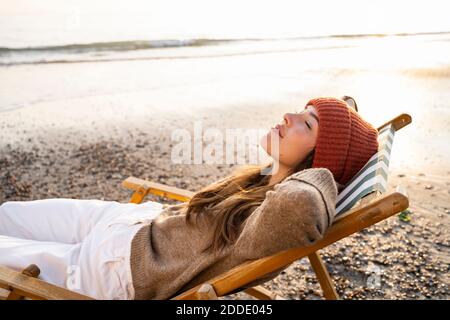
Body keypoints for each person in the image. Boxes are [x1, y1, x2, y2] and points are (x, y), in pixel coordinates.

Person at [0, 96, 378, 300]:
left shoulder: (287, 208)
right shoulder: (265, 181)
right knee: (7, 214)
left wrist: (324, 169)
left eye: (307, 124)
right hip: (131, 225)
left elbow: (302, 204)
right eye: (302, 110)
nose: (289, 115)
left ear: (319, 162)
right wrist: (329, 119)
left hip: (113, 270)